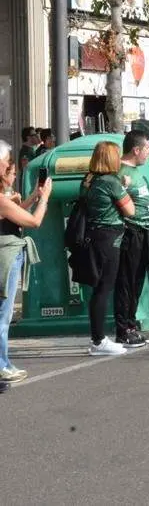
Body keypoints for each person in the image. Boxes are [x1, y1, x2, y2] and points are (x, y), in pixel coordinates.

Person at [0, 142, 49, 382]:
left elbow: (14, 215)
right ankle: (2, 365)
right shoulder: (2, 200)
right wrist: (45, 199)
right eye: (11, 170)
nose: (14, 174)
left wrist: (31, 197)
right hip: (6, 258)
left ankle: (4, 363)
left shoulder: (5, 200)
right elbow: (33, 222)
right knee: (3, 315)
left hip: (8, 255)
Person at [81, 142, 136, 355]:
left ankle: (98, 338)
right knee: (104, 289)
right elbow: (130, 210)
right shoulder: (111, 182)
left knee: (99, 289)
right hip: (109, 237)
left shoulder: (89, 179)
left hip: (93, 235)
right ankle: (99, 340)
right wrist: (126, 187)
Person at [114, 131, 149, 348]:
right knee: (126, 282)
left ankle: (132, 324)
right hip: (130, 233)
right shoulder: (121, 172)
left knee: (137, 281)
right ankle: (123, 330)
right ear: (136, 149)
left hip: (144, 231)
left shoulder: (138, 171)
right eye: (147, 150)